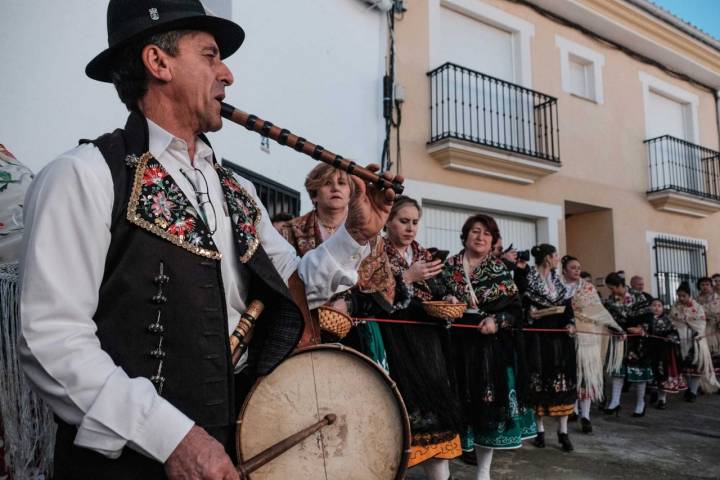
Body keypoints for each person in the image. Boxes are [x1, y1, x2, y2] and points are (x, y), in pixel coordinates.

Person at [18, 2, 400, 478]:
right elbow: (52, 340)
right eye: (211, 54)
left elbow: (294, 286)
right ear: (159, 63)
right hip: (128, 465)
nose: (228, 75)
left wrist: (357, 236)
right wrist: (170, 436)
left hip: (234, 441)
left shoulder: (237, 192)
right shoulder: (84, 176)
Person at [441, 214, 535, 480]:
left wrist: (497, 320)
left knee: (487, 407)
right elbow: (432, 300)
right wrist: (446, 302)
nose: (480, 237)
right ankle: (445, 471)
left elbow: (516, 311)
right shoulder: (448, 268)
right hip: (453, 346)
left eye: (486, 233)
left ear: (493, 241)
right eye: (475, 231)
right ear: (465, 235)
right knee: (455, 407)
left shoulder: (500, 271)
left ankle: (483, 473)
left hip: (487, 349)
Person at [281, 162, 396, 367]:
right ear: (314, 194)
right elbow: (282, 280)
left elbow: (383, 291)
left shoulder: (371, 234)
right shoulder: (291, 230)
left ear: (351, 194)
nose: (335, 188)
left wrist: (349, 304)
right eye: (327, 183)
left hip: (357, 334)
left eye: (342, 183)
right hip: (303, 330)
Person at [381, 196, 461, 480]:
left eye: (415, 222)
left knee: (437, 416)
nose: (410, 228)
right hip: (395, 344)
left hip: (429, 346)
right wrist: (407, 278)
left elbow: (445, 289)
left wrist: (449, 298)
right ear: (388, 221)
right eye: (404, 221)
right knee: (402, 415)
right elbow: (373, 297)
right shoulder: (375, 253)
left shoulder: (426, 255)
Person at [514, 244, 576, 452]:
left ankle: (563, 432)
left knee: (562, 383)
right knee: (538, 382)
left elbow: (567, 309)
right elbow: (519, 305)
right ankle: (539, 430)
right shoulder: (527, 278)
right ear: (548, 258)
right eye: (556, 255)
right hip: (537, 339)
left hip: (558, 340)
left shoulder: (558, 282)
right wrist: (531, 315)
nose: (558, 259)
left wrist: (570, 323)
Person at [561, 255, 623, 434]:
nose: (577, 270)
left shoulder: (588, 288)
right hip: (566, 335)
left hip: (588, 337)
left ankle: (586, 416)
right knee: (570, 375)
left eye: (579, 267)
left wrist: (615, 327)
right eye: (573, 267)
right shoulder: (556, 286)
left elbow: (599, 311)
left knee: (586, 376)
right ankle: (571, 410)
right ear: (564, 270)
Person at [603, 272, 654, 417]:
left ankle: (640, 403)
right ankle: (615, 401)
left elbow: (648, 316)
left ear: (620, 285)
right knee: (617, 370)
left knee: (638, 371)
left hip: (637, 340)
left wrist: (641, 328)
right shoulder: (610, 300)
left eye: (613, 288)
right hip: (619, 339)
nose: (611, 291)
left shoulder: (638, 296)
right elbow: (607, 318)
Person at [670, 282, 720, 401]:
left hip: (697, 340)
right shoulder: (675, 307)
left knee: (697, 364)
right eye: (679, 296)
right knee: (684, 365)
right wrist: (682, 324)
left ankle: (693, 391)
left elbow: (701, 323)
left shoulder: (697, 307)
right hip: (681, 341)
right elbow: (672, 320)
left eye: (683, 296)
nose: (681, 298)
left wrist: (688, 323)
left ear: (689, 295)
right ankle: (689, 387)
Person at [646, 298, 686, 409]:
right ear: (650, 307)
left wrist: (670, 337)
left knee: (662, 374)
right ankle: (654, 392)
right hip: (649, 350)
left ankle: (662, 399)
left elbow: (674, 333)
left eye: (659, 305)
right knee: (651, 373)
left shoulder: (667, 320)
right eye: (654, 305)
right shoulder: (646, 319)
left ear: (663, 308)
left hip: (663, 352)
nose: (656, 308)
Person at [696, 277, 720, 355]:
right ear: (699, 286)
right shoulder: (696, 300)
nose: (705, 286)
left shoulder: (717, 298)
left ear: (711, 286)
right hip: (703, 327)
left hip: (716, 326)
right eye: (702, 285)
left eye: (707, 284)